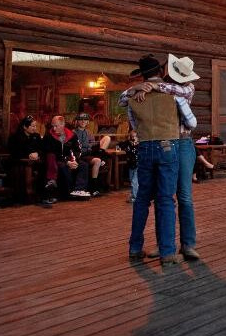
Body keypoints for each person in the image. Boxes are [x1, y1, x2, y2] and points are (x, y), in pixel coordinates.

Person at [124, 54, 187, 266]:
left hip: (144, 146)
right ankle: (167, 252)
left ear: (142, 75)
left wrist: (136, 89)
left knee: (142, 199)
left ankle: (134, 247)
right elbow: (188, 112)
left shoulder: (132, 97)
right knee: (166, 199)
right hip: (168, 145)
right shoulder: (173, 93)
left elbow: (132, 121)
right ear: (160, 72)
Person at [7, 115, 50, 205]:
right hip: (21, 162)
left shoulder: (36, 136)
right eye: (33, 126)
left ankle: (42, 196)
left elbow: (42, 149)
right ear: (24, 126)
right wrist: (29, 155)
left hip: (36, 161)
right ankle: (26, 197)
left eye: (35, 126)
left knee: (45, 166)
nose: (35, 128)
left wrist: (37, 154)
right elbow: (14, 152)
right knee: (26, 168)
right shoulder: (15, 137)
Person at [43, 115, 89, 199]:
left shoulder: (72, 135)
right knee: (63, 166)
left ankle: (79, 190)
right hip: (57, 160)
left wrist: (74, 161)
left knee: (83, 165)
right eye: (52, 126)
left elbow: (78, 150)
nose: (54, 128)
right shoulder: (48, 136)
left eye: (56, 126)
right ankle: (68, 192)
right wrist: (67, 161)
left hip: (70, 159)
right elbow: (51, 153)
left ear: (62, 125)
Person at [72, 113, 110, 197]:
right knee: (98, 161)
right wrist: (88, 146)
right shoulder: (73, 133)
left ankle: (101, 156)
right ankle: (94, 187)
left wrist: (93, 145)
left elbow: (91, 143)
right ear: (77, 121)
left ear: (88, 122)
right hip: (81, 155)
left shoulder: (88, 132)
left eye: (85, 120)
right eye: (81, 120)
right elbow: (75, 147)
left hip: (89, 152)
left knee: (107, 138)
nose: (83, 121)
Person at [118, 128, 139, 204]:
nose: (133, 139)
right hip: (131, 165)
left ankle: (135, 197)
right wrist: (128, 143)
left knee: (134, 181)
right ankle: (134, 194)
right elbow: (120, 144)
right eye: (132, 137)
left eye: (135, 137)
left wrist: (136, 145)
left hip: (138, 165)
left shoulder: (140, 145)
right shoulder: (127, 144)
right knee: (131, 180)